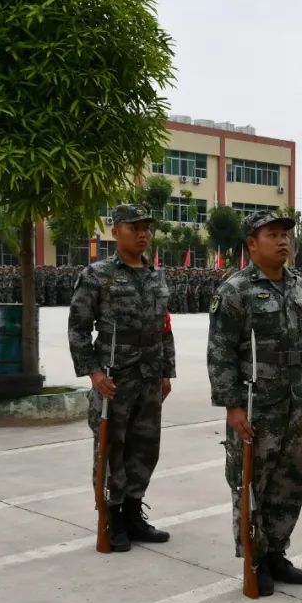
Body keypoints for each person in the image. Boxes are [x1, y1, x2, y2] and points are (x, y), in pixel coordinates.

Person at [207, 211, 302, 595]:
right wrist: (232, 406)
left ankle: (277, 550)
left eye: (286, 235)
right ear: (252, 244)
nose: (282, 241)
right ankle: (255, 558)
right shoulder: (235, 290)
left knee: (289, 483)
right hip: (257, 405)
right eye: (272, 234)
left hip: (293, 404)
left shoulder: (300, 287)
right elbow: (220, 353)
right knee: (252, 484)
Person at [68, 204, 175, 552]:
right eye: (135, 227)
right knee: (112, 448)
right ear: (116, 232)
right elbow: (79, 328)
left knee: (145, 448)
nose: (143, 233)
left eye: (146, 227)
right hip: (115, 377)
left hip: (149, 376)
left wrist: (166, 372)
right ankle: (111, 518)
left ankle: (133, 513)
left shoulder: (156, 276)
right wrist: (94, 372)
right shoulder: (97, 275)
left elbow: (164, 328)